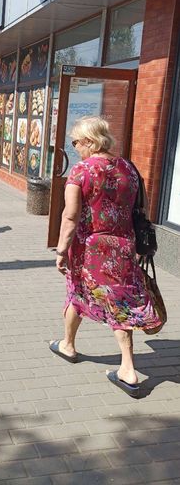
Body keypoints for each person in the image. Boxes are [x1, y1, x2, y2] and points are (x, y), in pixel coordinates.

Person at [51, 116, 162, 398]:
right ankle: (74, 346)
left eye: (76, 142)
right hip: (123, 246)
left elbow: (70, 215)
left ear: (89, 141)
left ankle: (118, 366)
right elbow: (143, 207)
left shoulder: (81, 171)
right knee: (120, 301)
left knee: (79, 291)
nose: (75, 147)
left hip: (89, 249)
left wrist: (61, 250)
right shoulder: (129, 168)